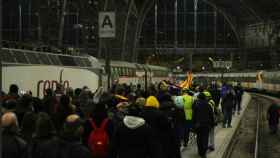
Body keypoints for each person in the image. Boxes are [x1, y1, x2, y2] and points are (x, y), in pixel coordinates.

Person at [192, 93, 214, 158]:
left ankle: (200, 151)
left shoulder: (196, 105)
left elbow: (194, 116)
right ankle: (204, 153)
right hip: (206, 124)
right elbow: (211, 115)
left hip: (198, 124)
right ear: (204, 98)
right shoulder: (208, 105)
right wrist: (212, 123)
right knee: (205, 138)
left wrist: (193, 125)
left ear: (198, 98)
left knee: (199, 138)